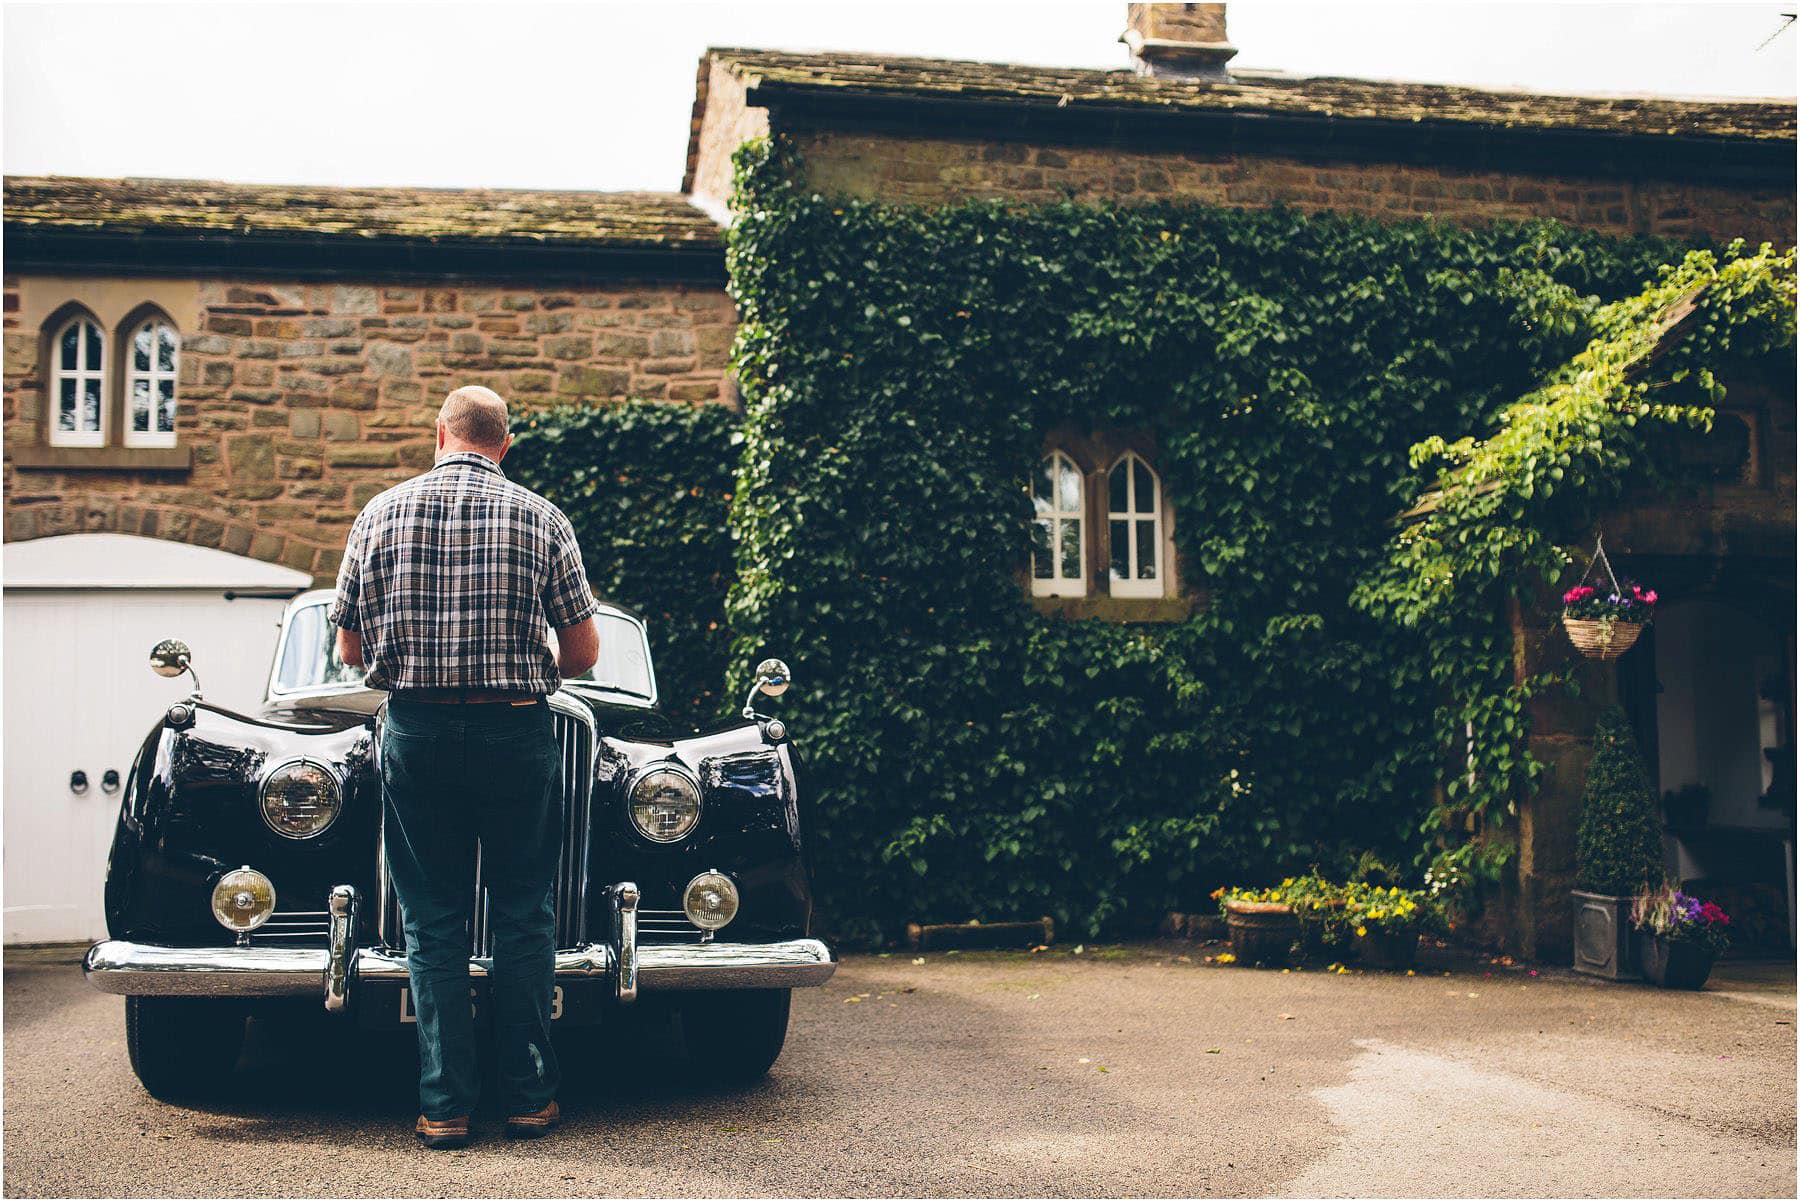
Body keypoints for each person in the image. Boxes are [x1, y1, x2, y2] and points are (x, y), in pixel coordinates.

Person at [329, 385, 600, 1149]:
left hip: (415, 730)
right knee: (523, 913)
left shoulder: (379, 512)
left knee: (433, 918)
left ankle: (444, 1106)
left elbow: (348, 650)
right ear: (503, 445)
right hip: (516, 734)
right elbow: (581, 653)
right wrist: (530, 657)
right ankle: (528, 1097)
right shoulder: (543, 518)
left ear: (438, 435)